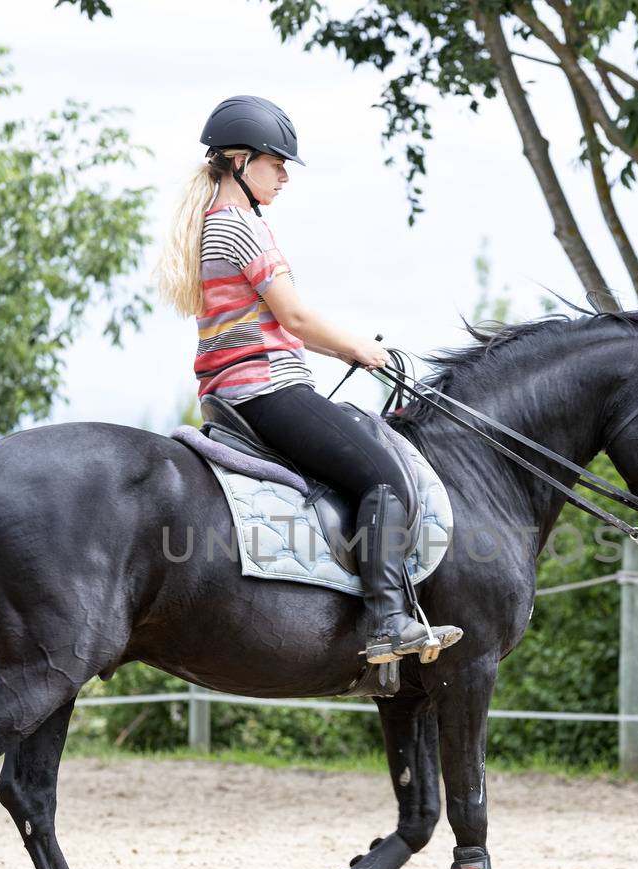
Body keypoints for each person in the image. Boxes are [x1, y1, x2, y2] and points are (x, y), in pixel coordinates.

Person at [156, 95, 462, 664]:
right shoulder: (243, 227)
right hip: (267, 389)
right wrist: (360, 349)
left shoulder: (212, 226)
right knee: (384, 478)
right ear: (241, 161)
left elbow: (285, 325)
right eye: (277, 165)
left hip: (232, 393)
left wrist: (345, 349)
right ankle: (389, 619)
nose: (285, 178)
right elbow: (295, 318)